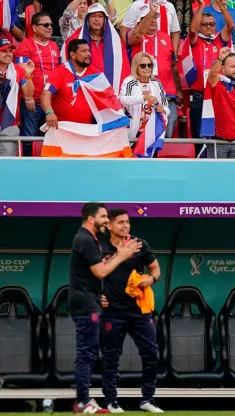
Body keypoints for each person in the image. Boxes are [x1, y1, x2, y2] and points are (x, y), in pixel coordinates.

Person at [70, 203, 141, 414]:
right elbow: (101, 272)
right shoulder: (85, 239)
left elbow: (90, 276)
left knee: (88, 354)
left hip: (88, 301)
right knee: (86, 354)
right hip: (85, 306)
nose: (105, 221)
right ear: (92, 219)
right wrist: (121, 255)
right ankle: (83, 403)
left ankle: (84, 401)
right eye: (103, 217)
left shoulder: (89, 238)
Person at [100, 209, 163, 414]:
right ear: (109, 225)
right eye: (120, 222)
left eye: (127, 222)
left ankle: (147, 399)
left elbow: (156, 269)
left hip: (140, 311)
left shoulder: (139, 244)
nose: (125, 226)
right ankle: (111, 401)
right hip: (112, 313)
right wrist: (95, 296)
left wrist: (151, 279)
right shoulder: (99, 247)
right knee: (111, 357)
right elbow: (86, 278)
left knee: (151, 353)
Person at [126, 4, 182, 139]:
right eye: (148, 17)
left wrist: (178, 89)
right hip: (142, 95)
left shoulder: (166, 37)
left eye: (155, 17)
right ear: (139, 21)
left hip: (166, 93)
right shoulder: (135, 36)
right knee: (142, 134)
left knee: (168, 130)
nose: (152, 20)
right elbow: (137, 34)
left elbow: (172, 65)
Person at [185, 0, 234, 142]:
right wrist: (201, 7)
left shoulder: (219, 39)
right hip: (199, 96)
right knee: (199, 136)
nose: (208, 27)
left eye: (212, 24)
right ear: (200, 25)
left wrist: (222, 7)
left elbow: (230, 26)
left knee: (218, 134)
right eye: (204, 24)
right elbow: (192, 30)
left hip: (217, 95)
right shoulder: (195, 40)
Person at [15, 12, 60, 156]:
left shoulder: (54, 45)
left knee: (51, 140)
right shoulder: (25, 45)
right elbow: (21, 73)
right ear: (34, 27)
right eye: (45, 25)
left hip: (51, 102)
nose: (49, 28)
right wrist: (27, 97)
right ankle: (28, 171)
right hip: (32, 102)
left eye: (51, 25)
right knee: (29, 140)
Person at [62, 3, 129, 95]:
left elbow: (123, 68)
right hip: (84, 92)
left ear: (105, 20)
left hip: (109, 92)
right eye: (93, 16)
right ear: (87, 19)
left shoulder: (116, 43)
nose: (97, 19)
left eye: (100, 16)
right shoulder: (76, 40)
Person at [119, 52, 169, 148]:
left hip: (152, 130)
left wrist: (163, 109)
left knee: (151, 161)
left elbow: (166, 107)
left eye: (150, 65)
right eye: (143, 65)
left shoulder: (157, 83)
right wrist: (143, 98)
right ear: (136, 67)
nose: (147, 68)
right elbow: (123, 100)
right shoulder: (129, 82)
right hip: (134, 130)